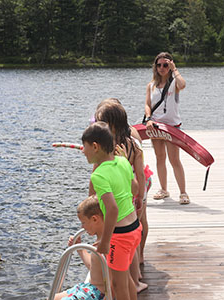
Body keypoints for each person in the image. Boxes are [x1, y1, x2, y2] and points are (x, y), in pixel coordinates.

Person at [94, 99, 150, 293]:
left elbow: (96, 176)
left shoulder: (115, 146)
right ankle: (134, 280)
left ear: (113, 125)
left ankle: (130, 279)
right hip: (130, 194)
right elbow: (138, 175)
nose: (97, 125)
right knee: (131, 242)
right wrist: (140, 198)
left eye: (100, 122)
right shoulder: (127, 143)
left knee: (124, 246)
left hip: (126, 194)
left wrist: (141, 198)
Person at [82, 121, 142, 300]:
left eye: (85, 147)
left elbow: (112, 210)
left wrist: (105, 241)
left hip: (120, 236)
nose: (82, 151)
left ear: (95, 146)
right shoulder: (123, 161)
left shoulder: (98, 175)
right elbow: (135, 190)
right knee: (124, 278)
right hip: (134, 228)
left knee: (117, 285)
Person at [144, 52, 189, 205]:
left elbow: (183, 84)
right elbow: (147, 105)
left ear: (170, 66)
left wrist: (175, 69)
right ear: (155, 67)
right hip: (156, 125)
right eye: (159, 65)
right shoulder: (151, 85)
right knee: (160, 157)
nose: (162, 68)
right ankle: (164, 189)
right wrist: (148, 119)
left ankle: (183, 193)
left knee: (174, 159)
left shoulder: (174, 83)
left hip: (172, 126)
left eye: (165, 65)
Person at [54, 195, 106, 300]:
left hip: (96, 293)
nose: (82, 227)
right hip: (88, 287)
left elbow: (113, 277)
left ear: (95, 219)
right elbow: (95, 267)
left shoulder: (105, 244)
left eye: (84, 223)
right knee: (52, 297)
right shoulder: (99, 241)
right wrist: (80, 249)